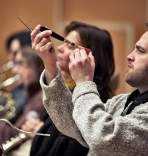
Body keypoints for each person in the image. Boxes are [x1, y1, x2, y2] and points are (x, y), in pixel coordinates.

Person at [31, 23, 148, 156]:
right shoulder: (121, 101)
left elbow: (102, 137)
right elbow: (76, 125)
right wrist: (50, 65)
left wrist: (83, 82)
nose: (130, 56)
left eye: (141, 51)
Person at [0, 47, 47, 145]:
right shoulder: (27, 91)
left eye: (20, 63)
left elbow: (10, 137)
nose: (14, 70)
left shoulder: (42, 99)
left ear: (37, 65)